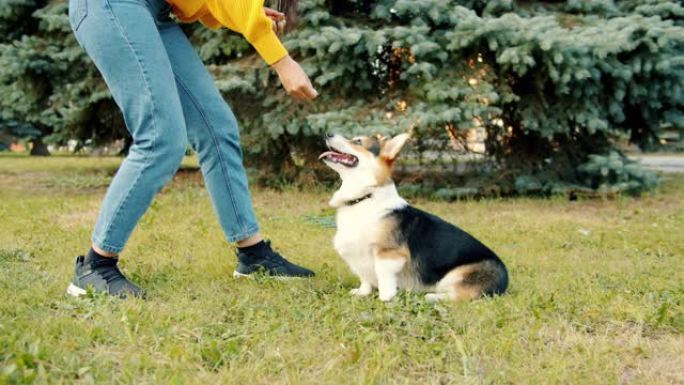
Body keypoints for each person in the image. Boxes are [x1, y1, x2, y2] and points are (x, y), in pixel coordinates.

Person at [65, 0, 317, 298]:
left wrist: (250, 14)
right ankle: (96, 266)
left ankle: (254, 255)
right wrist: (282, 61)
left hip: (154, 10)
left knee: (216, 127)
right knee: (160, 138)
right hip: (113, 5)